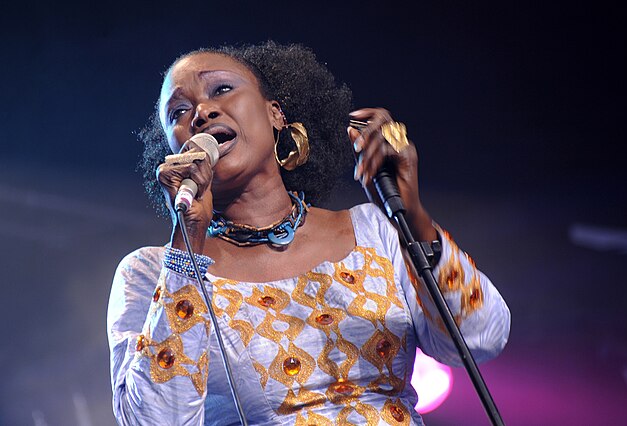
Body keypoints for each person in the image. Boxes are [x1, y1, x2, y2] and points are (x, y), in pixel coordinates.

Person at [107, 41, 510, 425]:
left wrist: (414, 214)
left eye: (223, 89)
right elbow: (153, 420)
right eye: (178, 112)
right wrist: (187, 246)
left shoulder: (373, 230)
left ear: (275, 114)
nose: (202, 112)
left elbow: (480, 338)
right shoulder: (153, 271)